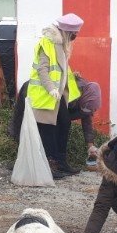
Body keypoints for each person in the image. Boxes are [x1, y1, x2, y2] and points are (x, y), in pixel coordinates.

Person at [27, 13, 83, 179]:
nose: (74, 38)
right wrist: (51, 88)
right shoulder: (47, 42)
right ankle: (49, 165)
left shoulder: (62, 44)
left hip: (58, 97)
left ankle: (61, 161)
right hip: (44, 95)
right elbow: (42, 69)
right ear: (66, 32)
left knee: (64, 124)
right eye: (73, 35)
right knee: (48, 131)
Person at [8, 72, 102, 168]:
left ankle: (53, 162)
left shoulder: (88, 97)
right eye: (85, 108)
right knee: (34, 127)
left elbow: (86, 119)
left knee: (59, 127)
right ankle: (34, 162)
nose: (85, 111)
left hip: (50, 103)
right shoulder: (70, 89)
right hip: (35, 92)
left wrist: (90, 146)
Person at [67, 74, 102, 167]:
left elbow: (87, 123)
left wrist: (91, 147)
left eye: (91, 111)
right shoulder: (71, 92)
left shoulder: (88, 96)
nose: (87, 112)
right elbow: (62, 117)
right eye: (87, 109)